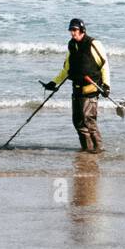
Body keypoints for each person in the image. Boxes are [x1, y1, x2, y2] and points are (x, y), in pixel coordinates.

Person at [43, 18, 110, 153]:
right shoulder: (72, 45)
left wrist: (107, 85)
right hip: (77, 89)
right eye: (71, 30)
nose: (73, 33)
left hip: (91, 88)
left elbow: (104, 65)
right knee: (78, 121)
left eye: (75, 30)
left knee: (88, 121)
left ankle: (98, 148)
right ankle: (87, 149)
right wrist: (54, 82)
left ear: (82, 30)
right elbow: (67, 69)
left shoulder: (94, 44)